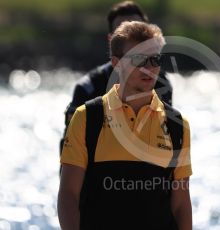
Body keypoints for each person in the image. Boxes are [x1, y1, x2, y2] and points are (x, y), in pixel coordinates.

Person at [58, 21, 192, 230]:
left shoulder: (177, 125)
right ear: (116, 63)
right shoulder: (86, 117)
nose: (149, 68)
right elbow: (68, 195)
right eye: (139, 60)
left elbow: (181, 204)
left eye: (155, 59)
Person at [60, 1, 173, 154]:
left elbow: (165, 142)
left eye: (139, 29)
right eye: (124, 31)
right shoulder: (88, 87)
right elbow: (71, 152)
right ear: (111, 40)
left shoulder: (161, 83)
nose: (134, 34)